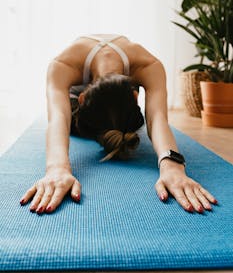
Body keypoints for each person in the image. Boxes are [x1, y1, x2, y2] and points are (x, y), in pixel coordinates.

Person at [20, 33, 217, 214]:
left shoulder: (148, 64)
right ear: (82, 99)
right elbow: (58, 119)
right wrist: (57, 168)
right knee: (69, 119)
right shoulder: (63, 64)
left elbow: (156, 118)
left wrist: (173, 167)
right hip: (76, 100)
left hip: (96, 100)